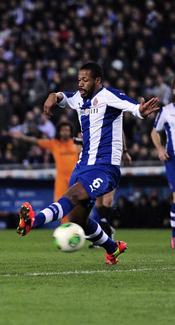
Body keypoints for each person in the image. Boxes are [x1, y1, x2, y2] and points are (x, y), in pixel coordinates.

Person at [17, 62, 159, 265]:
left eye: (85, 80)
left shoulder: (110, 96)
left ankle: (33, 220)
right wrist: (52, 96)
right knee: (78, 222)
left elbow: (135, 108)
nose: (80, 84)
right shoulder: (78, 98)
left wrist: (142, 111)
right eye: (79, 80)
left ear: (97, 81)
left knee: (72, 196)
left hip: (105, 167)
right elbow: (62, 97)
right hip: (81, 166)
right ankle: (112, 248)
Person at [12, 121, 78, 223]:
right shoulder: (54, 143)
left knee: (76, 204)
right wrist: (22, 136)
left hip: (75, 178)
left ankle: (76, 227)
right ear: (59, 132)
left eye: (67, 130)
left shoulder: (76, 144)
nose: (65, 132)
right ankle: (66, 228)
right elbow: (36, 141)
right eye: (63, 130)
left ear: (70, 132)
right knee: (60, 204)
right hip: (61, 179)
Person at [151, 78, 175, 249]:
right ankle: (174, 237)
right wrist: (160, 149)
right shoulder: (166, 111)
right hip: (173, 159)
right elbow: (154, 132)